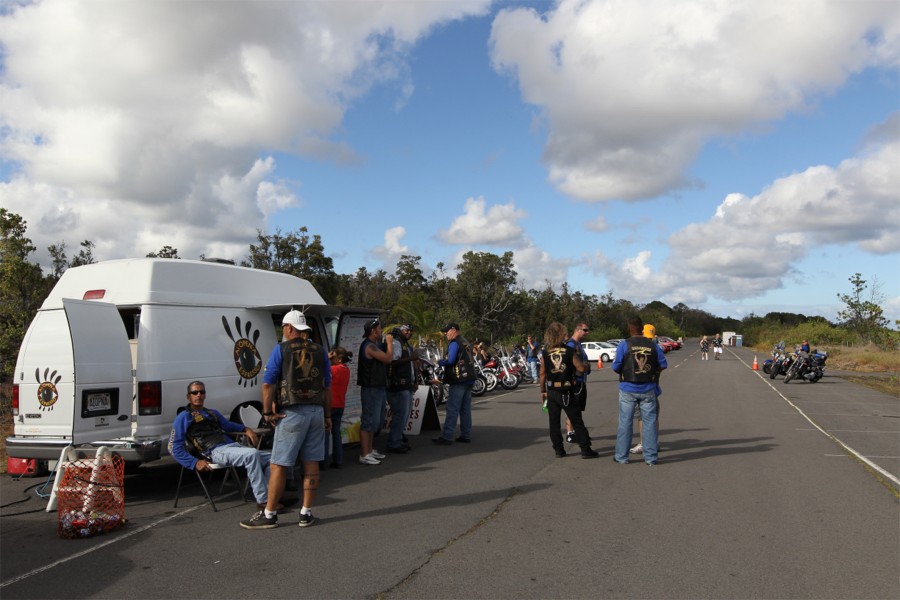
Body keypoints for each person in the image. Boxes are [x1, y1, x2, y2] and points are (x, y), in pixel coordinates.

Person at [240, 310, 332, 529]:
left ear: (290, 328)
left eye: (283, 327)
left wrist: (266, 412)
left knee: (278, 464)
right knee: (311, 464)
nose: (283, 331)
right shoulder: (320, 350)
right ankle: (306, 513)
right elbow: (327, 386)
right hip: (316, 412)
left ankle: (269, 514)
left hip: (291, 413)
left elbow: (268, 382)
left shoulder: (281, 349)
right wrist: (327, 415)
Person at [171, 381, 275, 510]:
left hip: (232, 447)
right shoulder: (183, 417)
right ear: (188, 396)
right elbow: (173, 447)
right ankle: (263, 501)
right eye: (194, 392)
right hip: (214, 451)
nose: (198, 395)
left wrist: (246, 429)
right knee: (252, 454)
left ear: (205, 395)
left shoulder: (212, 413)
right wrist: (194, 462)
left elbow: (229, 425)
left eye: (201, 392)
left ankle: (273, 496)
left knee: (273, 459)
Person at [612, 316, 667, 466]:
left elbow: (616, 367)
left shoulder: (624, 345)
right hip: (648, 387)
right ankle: (650, 457)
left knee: (625, 422)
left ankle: (622, 456)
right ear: (642, 328)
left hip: (628, 388)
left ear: (629, 328)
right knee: (649, 422)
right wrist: (652, 373)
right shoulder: (653, 345)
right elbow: (663, 364)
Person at [540, 322, 599, 459]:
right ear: (561, 334)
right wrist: (584, 365)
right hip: (566, 390)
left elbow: (542, 373)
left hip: (552, 390)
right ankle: (585, 449)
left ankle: (559, 450)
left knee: (554, 422)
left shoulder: (546, 352)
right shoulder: (569, 350)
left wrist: (543, 390)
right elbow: (580, 368)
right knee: (576, 420)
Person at [357, 318, 394, 465]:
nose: (381, 330)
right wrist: (390, 343)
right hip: (370, 388)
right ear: (373, 330)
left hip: (377, 387)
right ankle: (364, 453)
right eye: (379, 328)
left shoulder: (374, 345)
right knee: (368, 421)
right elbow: (387, 359)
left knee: (375, 421)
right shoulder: (368, 346)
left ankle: (370, 450)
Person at [433, 323, 475, 445]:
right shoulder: (465, 341)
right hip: (469, 378)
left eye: (447, 331)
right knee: (465, 409)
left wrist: (439, 362)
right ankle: (465, 435)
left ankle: (447, 436)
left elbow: (450, 360)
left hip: (459, 379)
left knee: (452, 408)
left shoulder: (455, 343)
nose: (445, 333)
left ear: (453, 330)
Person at [630, 323, 662, 455]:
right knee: (652, 416)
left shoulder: (633, 346)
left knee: (642, 417)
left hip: (640, 387)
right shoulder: (655, 347)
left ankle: (645, 443)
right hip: (652, 386)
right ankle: (653, 442)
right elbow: (662, 365)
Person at [386, 325, 417, 454]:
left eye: (410, 331)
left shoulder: (406, 344)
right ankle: (394, 442)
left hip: (408, 383)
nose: (409, 333)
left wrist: (415, 380)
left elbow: (411, 364)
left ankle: (398, 438)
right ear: (400, 331)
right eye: (406, 330)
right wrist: (411, 358)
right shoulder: (397, 343)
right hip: (398, 384)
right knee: (400, 414)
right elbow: (393, 361)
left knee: (405, 414)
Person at [564, 322, 591, 444]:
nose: (587, 332)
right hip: (575, 381)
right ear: (578, 330)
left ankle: (578, 431)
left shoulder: (578, 344)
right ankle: (570, 432)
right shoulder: (571, 344)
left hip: (582, 380)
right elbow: (569, 363)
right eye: (585, 330)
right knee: (573, 408)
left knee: (578, 408)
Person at [325, 346, 352, 469]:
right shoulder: (346, 370)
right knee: (336, 432)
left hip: (329, 405)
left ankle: (322, 460)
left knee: (325, 433)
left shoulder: (332, 369)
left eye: (333, 356)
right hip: (340, 404)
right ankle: (338, 459)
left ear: (339, 359)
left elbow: (322, 369)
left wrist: (326, 357)